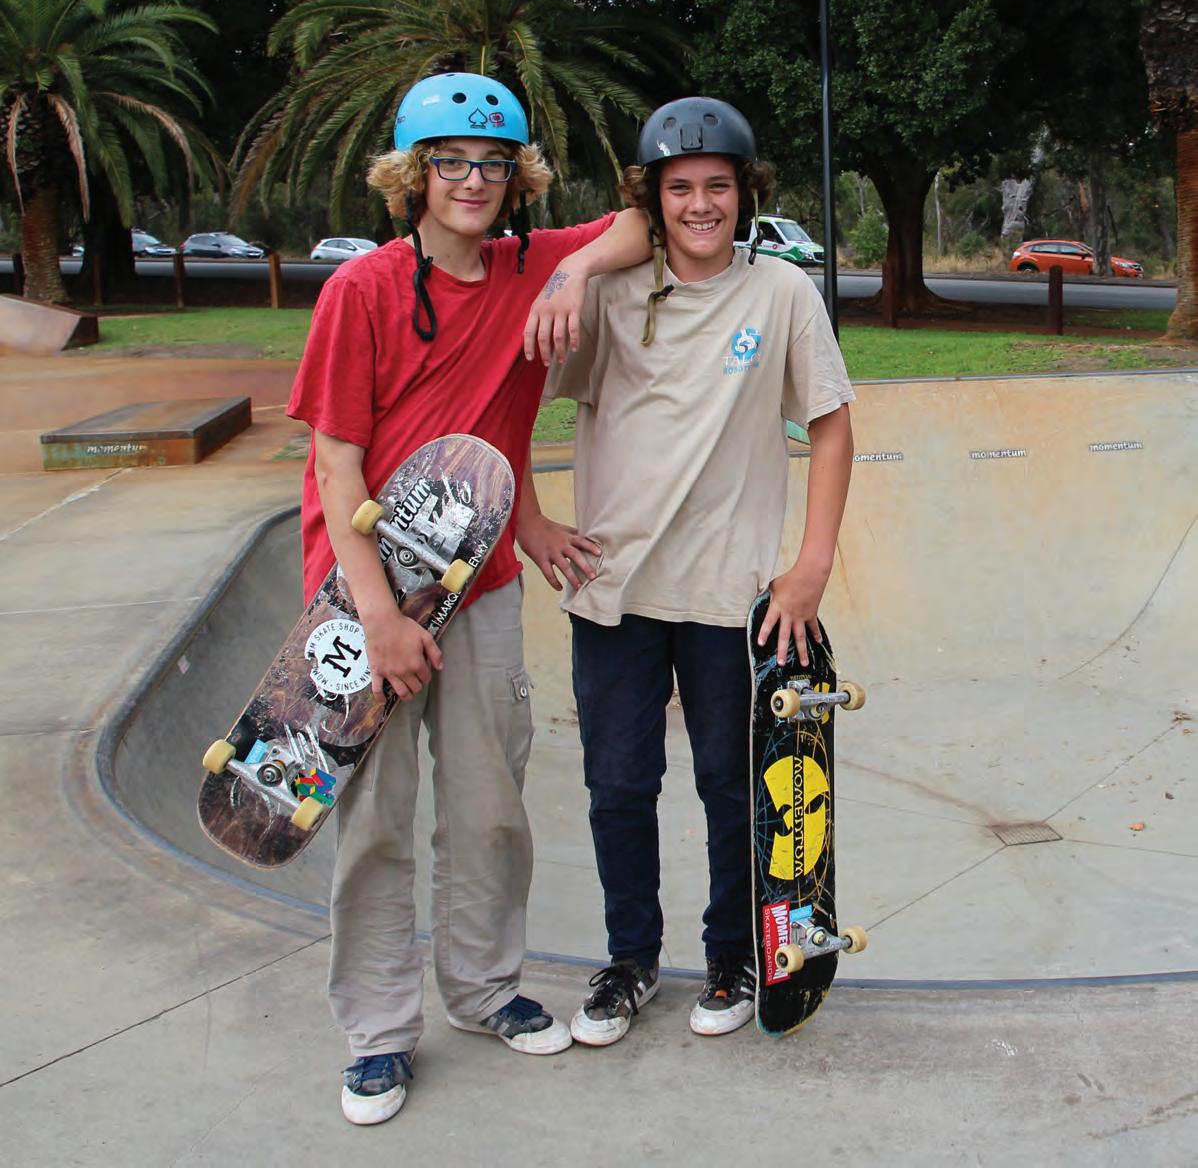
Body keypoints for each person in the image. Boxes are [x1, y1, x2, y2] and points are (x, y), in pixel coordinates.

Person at [287, 71, 649, 1126]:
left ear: (517, 177)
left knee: (490, 805)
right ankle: (376, 1031)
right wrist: (379, 617)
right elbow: (335, 464)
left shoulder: (530, 268)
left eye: (494, 164)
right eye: (450, 162)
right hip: (360, 591)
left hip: (477, 585)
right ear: (413, 176)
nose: (473, 182)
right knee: (376, 819)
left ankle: (485, 990)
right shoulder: (361, 292)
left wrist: (570, 271)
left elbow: (639, 221)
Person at [532, 96, 855, 1046]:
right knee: (618, 786)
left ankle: (730, 958)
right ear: (651, 199)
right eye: (680, 189)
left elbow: (832, 424)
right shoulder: (606, 294)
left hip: (730, 593)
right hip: (613, 588)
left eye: (719, 186)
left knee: (730, 785)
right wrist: (528, 522)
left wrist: (811, 566)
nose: (701, 205)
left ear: (746, 192)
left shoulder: (781, 292)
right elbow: (507, 398)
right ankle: (630, 961)